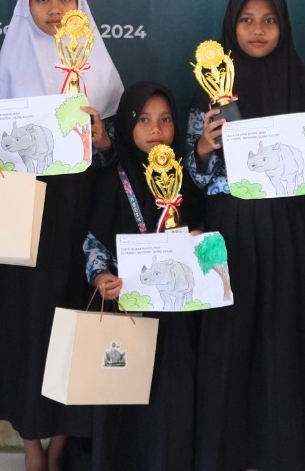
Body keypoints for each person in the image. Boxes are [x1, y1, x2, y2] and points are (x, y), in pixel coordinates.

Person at [0, 0, 124, 471]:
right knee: (25, 328)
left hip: (81, 220)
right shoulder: (11, 65)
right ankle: (31, 445)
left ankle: (60, 446)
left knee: (74, 323)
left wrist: (103, 139)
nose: (54, 10)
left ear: (80, 6)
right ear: (26, 6)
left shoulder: (97, 66)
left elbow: (119, 157)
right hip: (23, 220)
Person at [186, 0, 305, 471]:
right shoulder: (209, 92)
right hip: (229, 230)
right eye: (247, 20)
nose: (258, 30)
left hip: (289, 232)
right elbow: (192, 176)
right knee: (229, 340)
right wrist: (205, 148)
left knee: (285, 337)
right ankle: (227, 451)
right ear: (231, 28)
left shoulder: (303, 88)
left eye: (269, 20)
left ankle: (288, 449)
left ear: (284, 27)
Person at [83, 81, 204, 471]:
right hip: (127, 309)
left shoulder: (186, 176)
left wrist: (202, 242)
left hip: (179, 315)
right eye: (145, 120)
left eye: (165, 120)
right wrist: (101, 278)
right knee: (124, 403)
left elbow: (213, 237)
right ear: (128, 126)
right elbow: (93, 241)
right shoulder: (112, 177)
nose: (156, 130)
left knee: (173, 399)